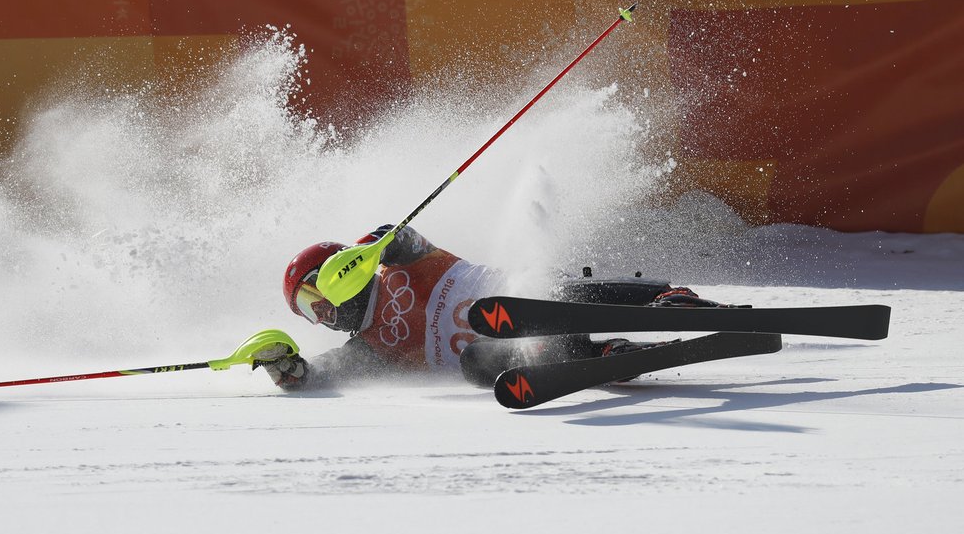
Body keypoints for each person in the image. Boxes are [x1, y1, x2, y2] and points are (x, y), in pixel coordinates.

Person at [256, 225, 723, 391]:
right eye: (311, 315)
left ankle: (663, 296)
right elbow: (323, 374)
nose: (326, 318)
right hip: (507, 347)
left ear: (336, 274)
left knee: (552, 293)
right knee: (478, 365)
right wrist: (291, 370)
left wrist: (372, 247)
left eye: (318, 301)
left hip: (522, 297)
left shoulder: (399, 260)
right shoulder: (373, 347)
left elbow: (396, 233)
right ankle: (602, 354)